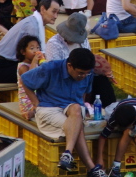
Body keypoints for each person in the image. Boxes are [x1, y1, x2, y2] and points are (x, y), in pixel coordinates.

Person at [19, 48, 108, 177]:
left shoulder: (88, 73)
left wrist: (83, 109)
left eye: (86, 74)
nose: (83, 76)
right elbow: (25, 80)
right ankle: (91, 168)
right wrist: (35, 104)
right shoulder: (50, 68)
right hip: (49, 108)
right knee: (76, 127)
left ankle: (67, 154)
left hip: (73, 108)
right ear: (69, 65)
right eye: (80, 73)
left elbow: (84, 94)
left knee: (77, 109)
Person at [44, 13, 117, 107]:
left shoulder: (83, 40)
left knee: (102, 82)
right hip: (66, 79)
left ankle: (110, 109)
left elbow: (88, 59)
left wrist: (103, 70)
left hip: (84, 74)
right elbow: (55, 70)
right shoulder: (54, 44)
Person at [0, 0, 59, 84]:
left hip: (5, 63)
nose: (56, 16)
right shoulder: (32, 26)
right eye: (53, 11)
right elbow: (34, 55)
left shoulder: (33, 22)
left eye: (57, 13)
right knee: (46, 75)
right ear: (43, 9)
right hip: (1, 68)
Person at [95, 97, 136, 177]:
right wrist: (99, 159)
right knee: (128, 132)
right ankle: (116, 167)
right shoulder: (115, 117)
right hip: (127, 122)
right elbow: (103, 136)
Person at [16, 35, 45, 120]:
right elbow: (30, 78)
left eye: (38, 48)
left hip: (38, 95)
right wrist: (35, 61)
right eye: (32, 48)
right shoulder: (22, 67)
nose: (36, 51)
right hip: (27, 99)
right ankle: (31, 112)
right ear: (23, 52)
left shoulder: (38, 64)